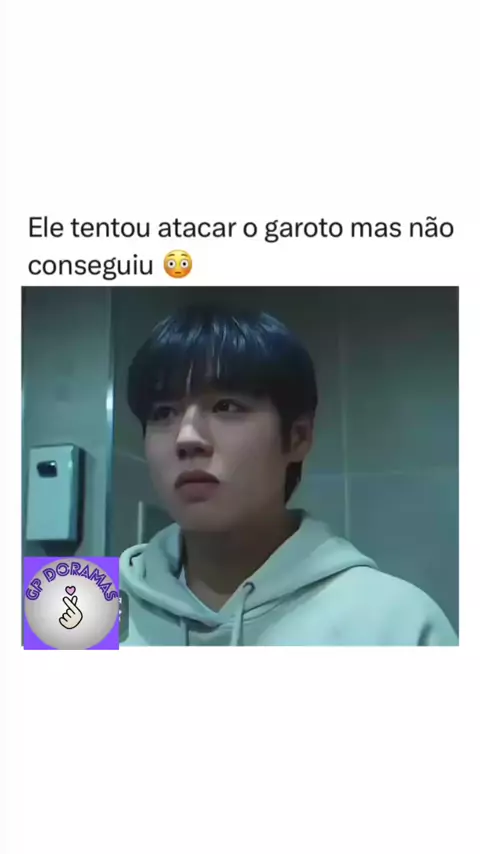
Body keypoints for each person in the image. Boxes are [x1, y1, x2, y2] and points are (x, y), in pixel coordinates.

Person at [119, 301, 457, 646]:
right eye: (163, 413)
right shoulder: (92, 601)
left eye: (226, 406)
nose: (186, 438)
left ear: (297, 437)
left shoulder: (396, 622)